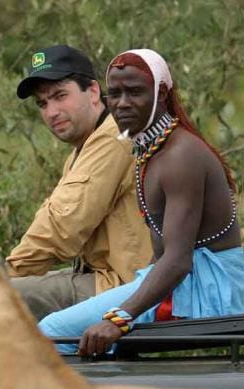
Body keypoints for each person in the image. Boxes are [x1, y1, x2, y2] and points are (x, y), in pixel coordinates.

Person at [39, 48, 244, 355]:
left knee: (50, 333)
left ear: (162, 93)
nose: (122, 103)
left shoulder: (180, 156)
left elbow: (178, 260)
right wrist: (127, 303)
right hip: (183, 283)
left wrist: (120, 316)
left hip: (207, 294)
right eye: (114, 94)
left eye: (135, 92)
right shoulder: (149, 148)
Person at [10, 44, 154, 320]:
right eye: (43, 103)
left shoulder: (115, 137)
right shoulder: (89, 143)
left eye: (60, 96)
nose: (52, 112)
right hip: (109, 279)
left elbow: (62, 228)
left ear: (94, 91)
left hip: (125, 288)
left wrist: (2, 275)